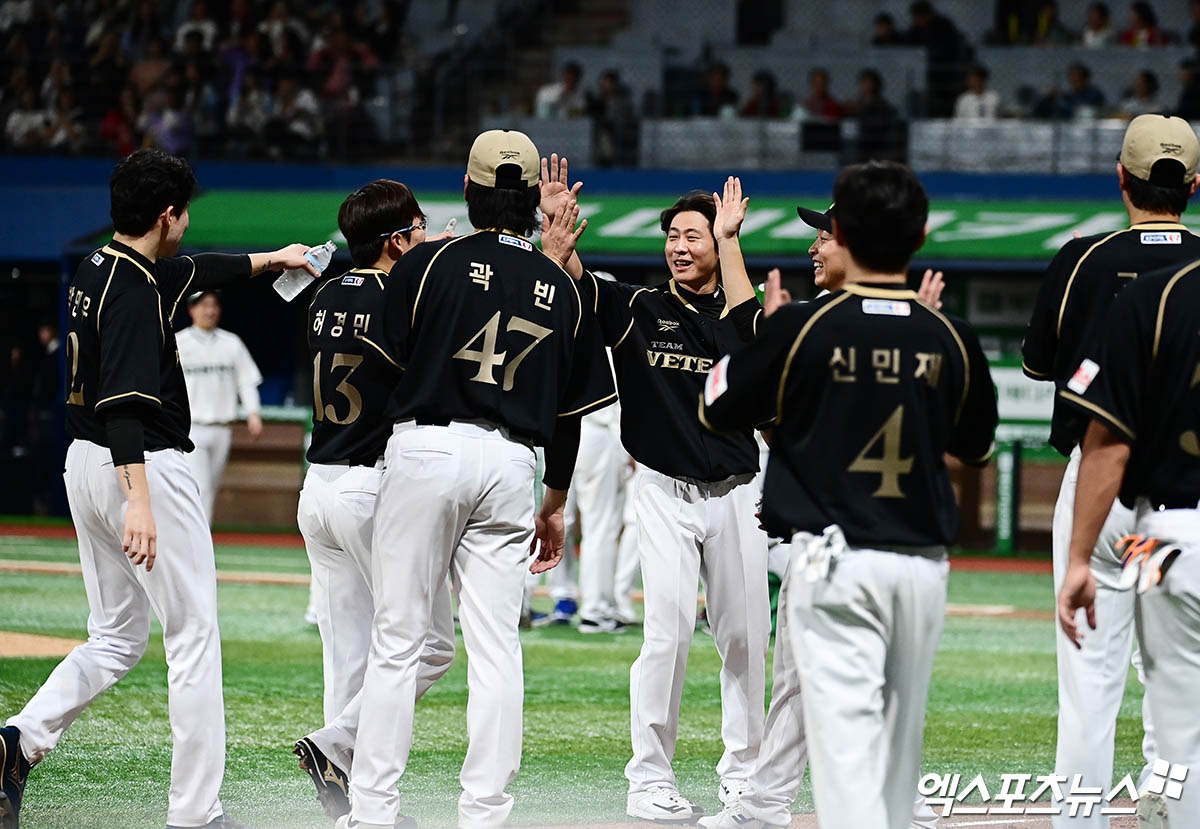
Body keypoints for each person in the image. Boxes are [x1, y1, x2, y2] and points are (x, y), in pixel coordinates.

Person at [0, 148, 317, 829]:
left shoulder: (102, 265)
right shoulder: (139, 292)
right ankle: (196, 812)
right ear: (168, 215)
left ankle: (18, 741)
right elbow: (124, 402)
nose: (188, 222)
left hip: (83, 461)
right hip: (136, 461)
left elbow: (199, 269)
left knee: (115, 635)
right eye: (185, 211)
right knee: (194, 634)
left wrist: (274, 258)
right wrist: (138, 498)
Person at [700, 160, 998, 829]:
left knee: (846, 766)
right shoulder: (951, 335)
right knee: (895, 749)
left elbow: (715, 407)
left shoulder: (802, 326)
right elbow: (975, 447)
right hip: (922, 566)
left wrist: (760, 343)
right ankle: (771, 804)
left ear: (843, 231)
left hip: (833, 563)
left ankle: (777, 806)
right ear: (919, 234)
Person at [339, 130, 615, 829]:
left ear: (466, 189)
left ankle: (373, 809)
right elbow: (571, 414)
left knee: (399, 640)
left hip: (427, 448)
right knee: (496, 646)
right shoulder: (564, 285)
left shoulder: (428, 262)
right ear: (531, 202)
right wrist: (554, 504)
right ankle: (485, 812)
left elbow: (378, 368)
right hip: (512, 462)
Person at [543, 158, 768, 820]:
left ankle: (745, 773)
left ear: (720, 241)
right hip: (663, 491)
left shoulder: (741, 315)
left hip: (737, 493)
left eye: (693, 235)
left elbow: (752, 339)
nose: (679, 246)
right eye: (673, 236)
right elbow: (574, 280)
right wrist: (555, 230)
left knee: (746, 640)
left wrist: (729, 242)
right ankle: (649, 779)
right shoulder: (636, 306)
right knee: (664, 637)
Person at [1023, 114, 1200, 829]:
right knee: (1179, 684)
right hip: (1186, 498)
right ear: (1193, 187)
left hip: (1099, 490)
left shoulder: (1081, 259)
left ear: (1119, 177)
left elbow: (1040, 364)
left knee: (1091, 682)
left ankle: (1080, 821)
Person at [293, 180, 456, 820]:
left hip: (318, 487)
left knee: (350, 653)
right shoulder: (401, 297)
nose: (425, 235)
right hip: (371, 484)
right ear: (396, 240)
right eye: (417, 229)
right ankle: (339, 749)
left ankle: (353, 801)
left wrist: (423, 252)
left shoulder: (326, 290)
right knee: (429, 644)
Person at [1056, 257, 1200, 829]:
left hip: (1165, 533)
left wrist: (1076, 558)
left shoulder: (1155, 294)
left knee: (1180, 720)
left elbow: (1108, 441)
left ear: (1122, 178)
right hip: (1160, 533)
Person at [176, 290, 264, 524]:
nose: (209, 310)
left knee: (210, 488)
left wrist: (253, 413)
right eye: (203, 305)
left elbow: (246, 381)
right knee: (200, 488)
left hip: (223, 427)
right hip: (191, 428)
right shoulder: (178, 342)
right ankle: (198, 546)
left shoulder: (231, 343)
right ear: (191, 309)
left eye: (213, 305)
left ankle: (196, 542)